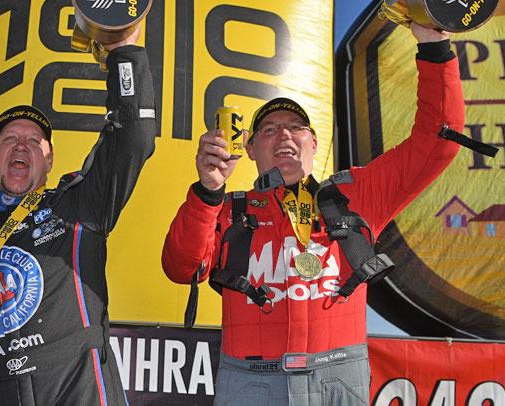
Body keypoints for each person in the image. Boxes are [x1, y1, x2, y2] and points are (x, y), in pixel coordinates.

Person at [162, 23, 465, 405]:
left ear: (314, 142)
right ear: (250, 148)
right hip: (250, 381)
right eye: (269, 130)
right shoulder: (226, 208)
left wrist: (433, 45)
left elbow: (439, 140)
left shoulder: (359, 194)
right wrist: (207, 190)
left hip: (339, 377)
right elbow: (181, 268)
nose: (284, 135)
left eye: (296, 127)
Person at [0, 27, 156, 405]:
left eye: (34, 141)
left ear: (49, 159)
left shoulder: (77, 205)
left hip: (76, 387)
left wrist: (123, 52)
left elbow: (133, 137)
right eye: (9, 139)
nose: (21, 146)